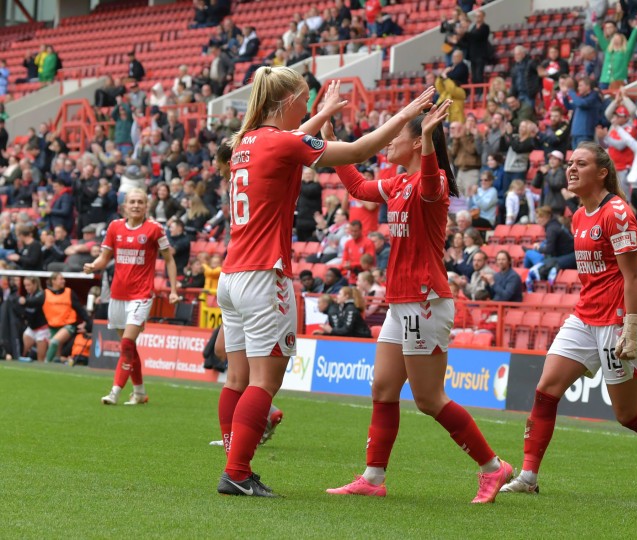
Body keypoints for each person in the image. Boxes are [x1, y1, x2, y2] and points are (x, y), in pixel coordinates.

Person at [213, 69, 436, 498]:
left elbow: (289, 139)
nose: (306, 104)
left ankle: (234, 463)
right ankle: (237, 472)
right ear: (287, 101)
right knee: (265, 381)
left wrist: (321, 115)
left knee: (239, 377)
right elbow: (359, 148)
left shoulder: (245, 142)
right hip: (264, 275)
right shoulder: (282, 140)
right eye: (304, 98)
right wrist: (405, 113)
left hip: (232, 274)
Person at [325, 99, 514, 503]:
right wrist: (330, 139)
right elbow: (357, 186)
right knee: (383, 387)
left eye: (398, 135)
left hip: (425, 300)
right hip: (402, 301)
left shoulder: (437, 181)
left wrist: (428, 137)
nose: (389, 141)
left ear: (415, 143)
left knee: (429, 399)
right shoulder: (395, 183)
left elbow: (430, 183)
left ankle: (494, 468)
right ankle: (373, 478)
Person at [499, 143, 637, 502]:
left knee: (628, 415)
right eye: (569, 163)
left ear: (602, 172)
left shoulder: (618, 213)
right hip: (584, 316)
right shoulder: (580, 215)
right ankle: (529, 475)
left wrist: (629, 329)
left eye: (581, 164)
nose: (571, 169)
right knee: (545, 390)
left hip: (617, 322)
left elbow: (633, 277)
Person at [84, 188, 180, 405]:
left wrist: (173, 290)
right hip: (117, 297)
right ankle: (139, 393)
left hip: (141, 295)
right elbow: (103, 258)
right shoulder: (114, 227)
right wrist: (93, 266)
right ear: (124, 206)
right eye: (132, 202)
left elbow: (169, 259)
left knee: (127, 343)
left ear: (146, 206)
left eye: (140, 202)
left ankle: (115, 392)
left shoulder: (155, 229)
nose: (136, 205)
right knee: (130, 347)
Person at [41, 272, 92, 364]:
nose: (63, 281)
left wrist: (88, 322)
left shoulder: (69, 292)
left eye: (63, 279)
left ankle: (45, 363)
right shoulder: (46, 293)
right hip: (53, 327)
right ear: (53, 281)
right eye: (61, 279)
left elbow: (80, 309)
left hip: (68, 325)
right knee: (56, 355)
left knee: (53, 342)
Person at [17, 277, 49, 362]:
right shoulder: (28, 295)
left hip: (42, 329)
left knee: (40, 358)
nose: (26, 287)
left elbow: (36, 302)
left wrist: (25, 302)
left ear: (35, 284)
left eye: (28, 285)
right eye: (25, 285)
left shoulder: (41, 294)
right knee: (24, 352)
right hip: (31, 328)